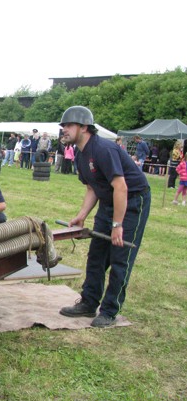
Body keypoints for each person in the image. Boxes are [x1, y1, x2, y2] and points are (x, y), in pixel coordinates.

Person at [58, 106, 150, 328]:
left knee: (120, 257)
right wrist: (81, 215)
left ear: (84, 127)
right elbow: (92, 187)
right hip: (109, 201)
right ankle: (89, 303)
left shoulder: (103, 149)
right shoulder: (80, 154)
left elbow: (121, 187)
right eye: (63, 127)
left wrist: (117, 225)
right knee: (97, 255)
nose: (64, 130)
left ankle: (109, 311)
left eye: (69, 126)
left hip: (132, 201)